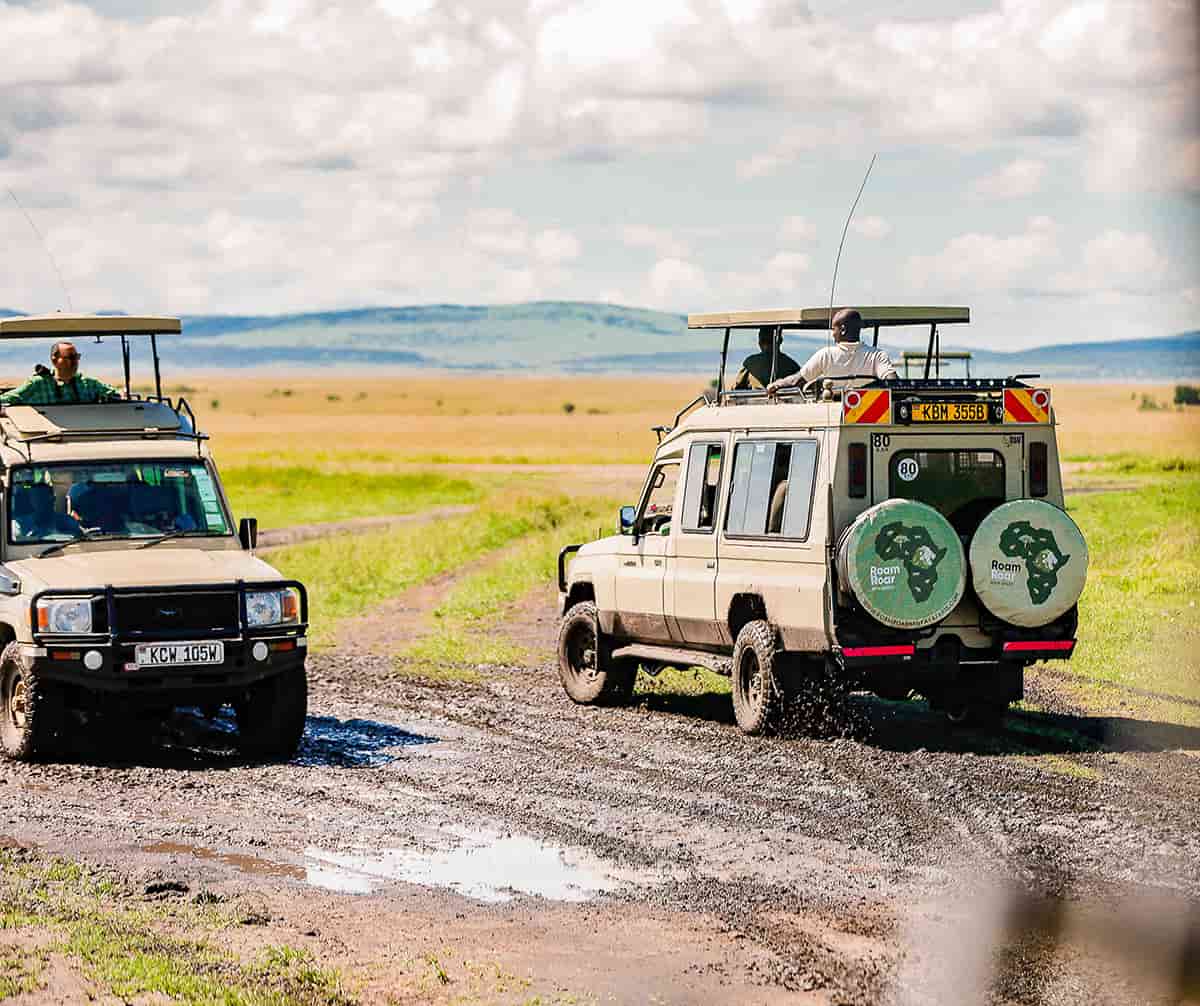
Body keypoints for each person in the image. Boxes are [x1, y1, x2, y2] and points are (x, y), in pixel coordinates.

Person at [766, 309, 896, 395]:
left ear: (843, 330)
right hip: (870, 412)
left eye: (834, 329)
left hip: (831, 411)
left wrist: (777, 384)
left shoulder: (825, 355)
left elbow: (797, 381)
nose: (832, 334)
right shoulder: (877, 355)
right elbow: (893, 381)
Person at [0, 342, 120, 406]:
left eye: (77, 357)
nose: (75, 362)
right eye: (70, 357)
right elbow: (7, 399)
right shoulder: (38, 384)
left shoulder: (89, 383)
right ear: (54, 360)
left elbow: (116, 396)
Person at [733, 327, 800, 390]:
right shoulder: (792, 365)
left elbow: (735, 390)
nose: (765, 344)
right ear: (780, 341)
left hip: (756, 402)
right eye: (763, 341)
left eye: (768, 341)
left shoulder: (750, 363)